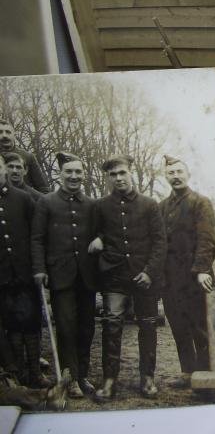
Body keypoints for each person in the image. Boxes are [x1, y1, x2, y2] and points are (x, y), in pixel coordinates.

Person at [92, 155, 166, 401]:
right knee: (111, 324)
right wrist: (100, 238)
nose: (118, 178)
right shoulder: (101, 206)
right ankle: (109, 379)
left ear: (131, 172)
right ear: (108, 178)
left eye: (122, 172)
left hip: (144, 277)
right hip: (114, 277)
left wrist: (149, 272)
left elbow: (160, 242)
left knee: (148, 325)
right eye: (113, 174)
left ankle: (147, 377)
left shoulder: (149, 205)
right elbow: (98, 231)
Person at [31, 151, 98, 399]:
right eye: (68, 171)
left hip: (87, 277)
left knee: (86, 327)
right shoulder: (46, 202)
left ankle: (83, 375)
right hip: (60, 276)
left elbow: (101, 231)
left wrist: (101, 238)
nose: (73, 176)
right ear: (60, 175)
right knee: (67, 328)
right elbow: (37, 239)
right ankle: (70, 378)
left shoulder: (91, 204)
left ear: (83, 174)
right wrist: (39, 269)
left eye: (78, 172)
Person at [159, 155, 215, 386]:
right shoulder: (162, 207)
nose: (175, 176)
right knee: (178, 326)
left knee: (198, 328)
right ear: (165, 177)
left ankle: (204, 376)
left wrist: (202, 269)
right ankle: (187, 373)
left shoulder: (200, 203)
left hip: (194, 277)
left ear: (188, 174)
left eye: (179, 172)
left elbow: (207, 239)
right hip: (169, 279)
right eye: (171, 173)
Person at [0, 154, 48, 388]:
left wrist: (38, 268)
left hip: (26, 273)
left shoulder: (23, 198)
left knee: (30, 322)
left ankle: (35, 373)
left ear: (4, 170)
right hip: (2, 277)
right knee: (11, 325)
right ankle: (19, 374)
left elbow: (37, 236)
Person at [0, 120, 49, 194]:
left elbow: (43, 189)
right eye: (0, 132)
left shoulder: (27, 157)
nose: (4, 135)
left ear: (14, 135)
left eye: (8, 132)